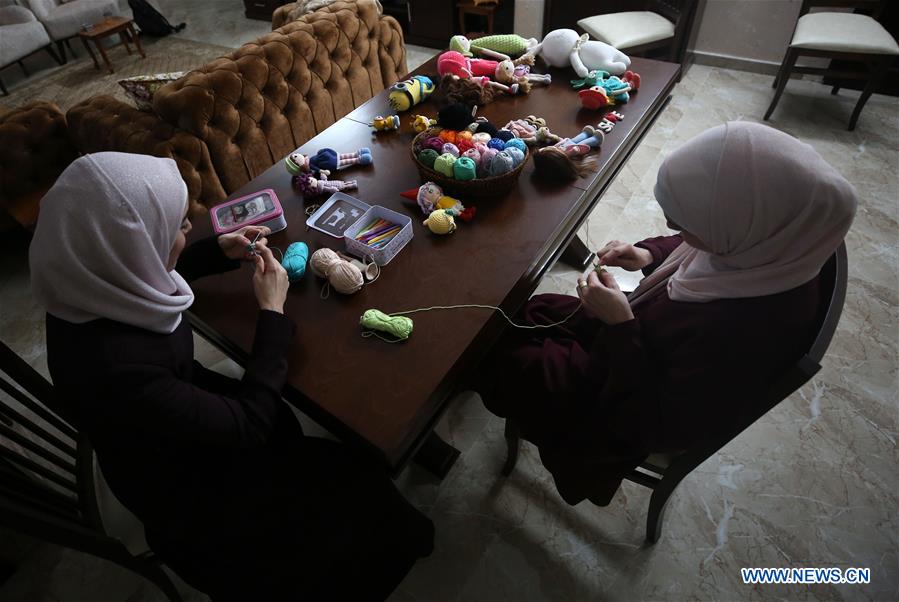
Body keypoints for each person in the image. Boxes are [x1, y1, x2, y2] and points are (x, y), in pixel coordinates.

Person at [29, 152, 433, 600]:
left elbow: (143, 270)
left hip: (167, 428)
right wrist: (271, 313)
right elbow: (250, 425)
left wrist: (214, 252)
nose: (190, 226)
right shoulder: (117, 371)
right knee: (362, 478)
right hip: (203, 509)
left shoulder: (86, 285)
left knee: (316, 438)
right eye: (178, 225)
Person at [475, 122, 857, 506]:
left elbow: (658, 422)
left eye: (687, 220)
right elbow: (691, 245)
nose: (674, 226)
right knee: (538, 310)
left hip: (633, 394)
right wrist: (647, 254)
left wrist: (620, 327)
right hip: (644, 343)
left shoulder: (748, 330)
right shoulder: (775, 246)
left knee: (515, 362)